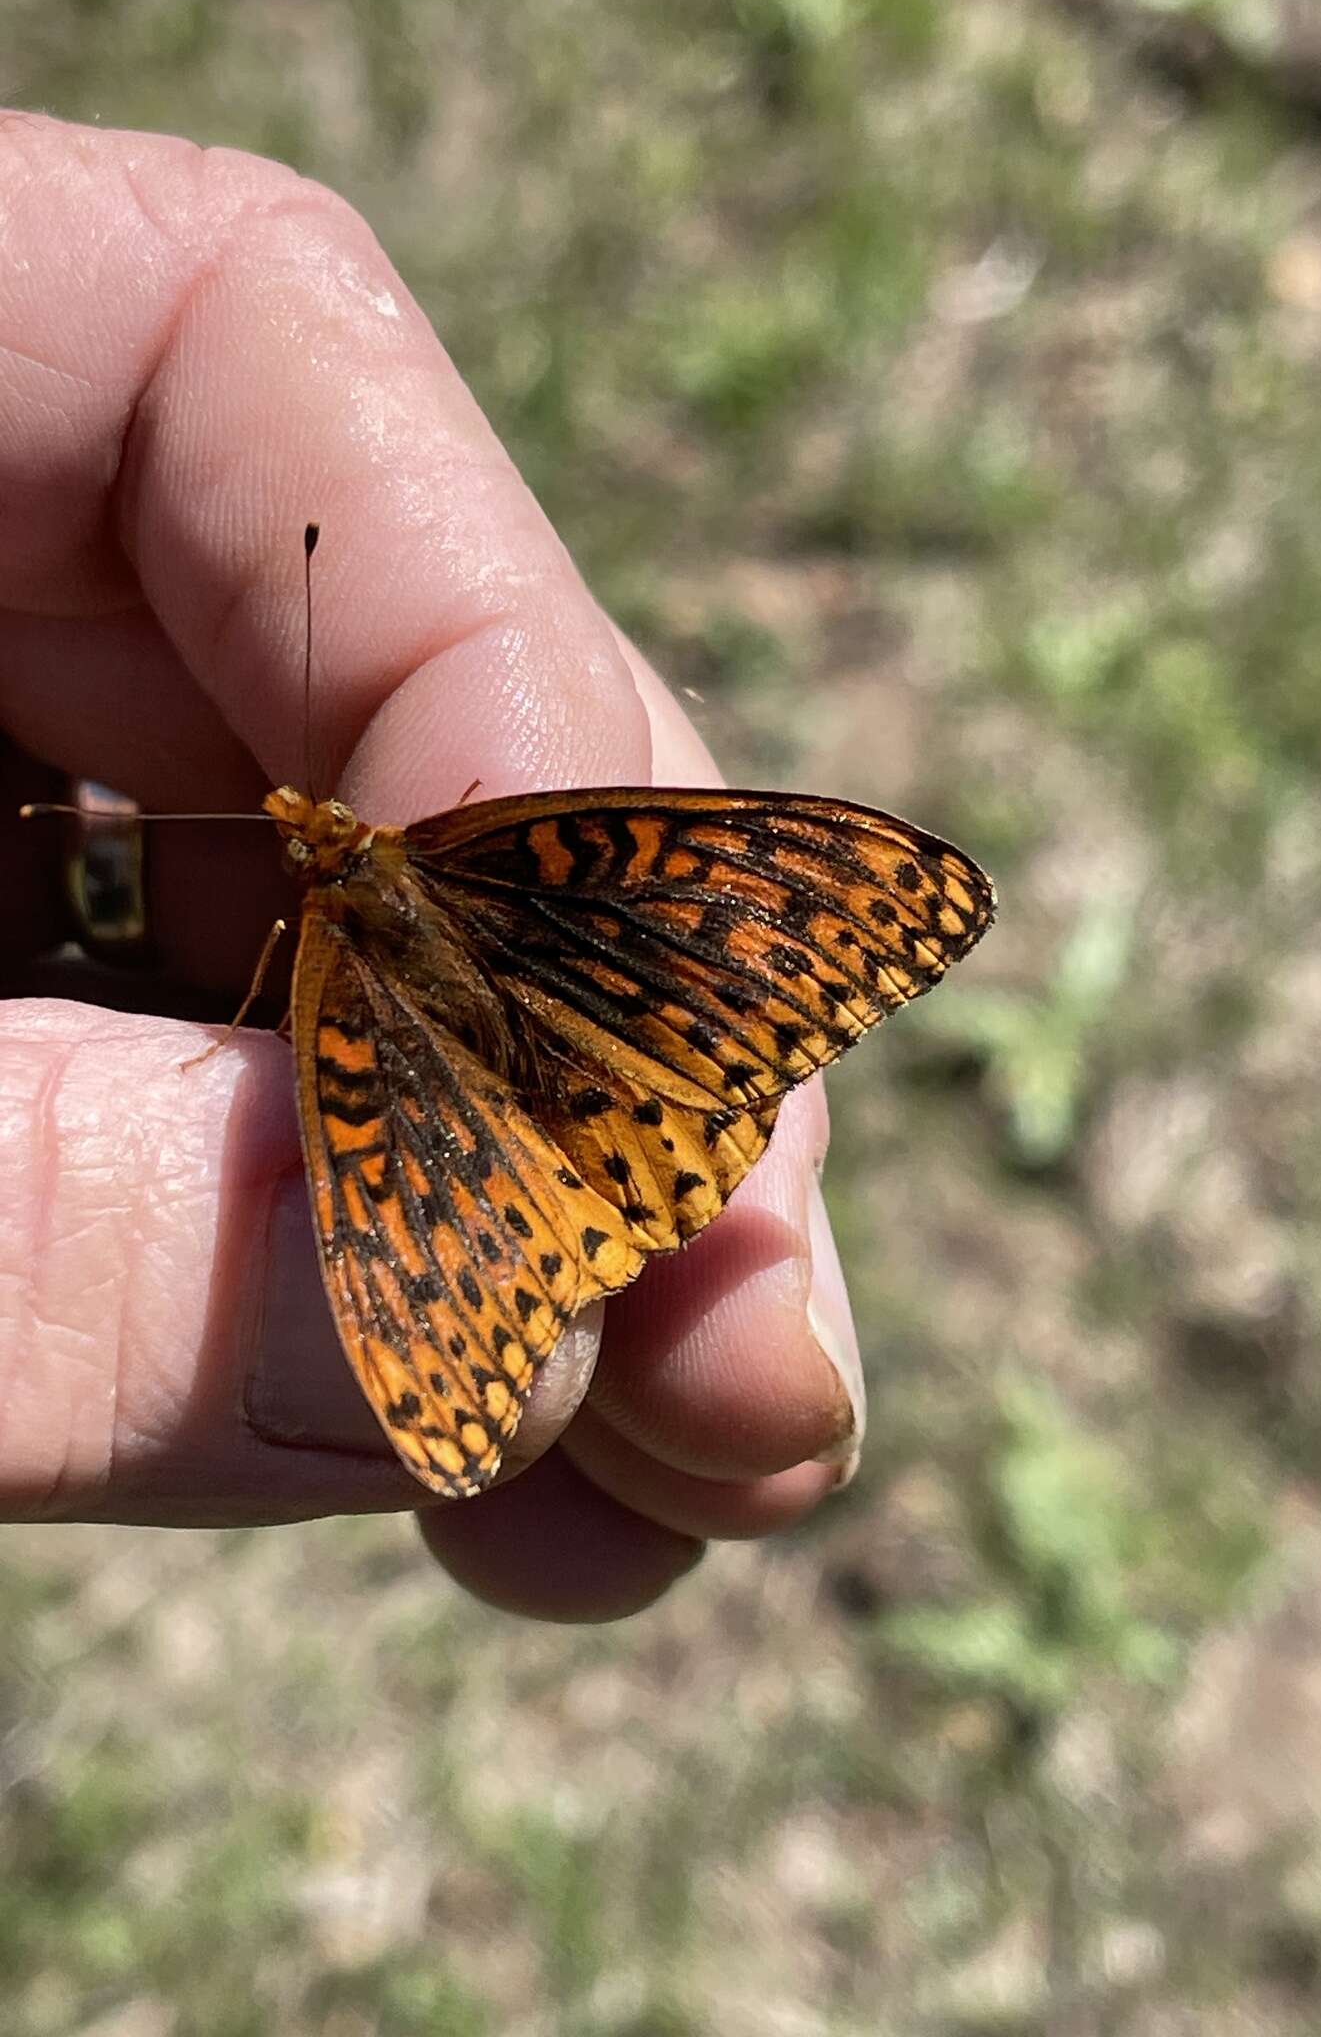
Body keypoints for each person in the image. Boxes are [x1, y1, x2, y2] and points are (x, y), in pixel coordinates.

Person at [0, 110, 863, 1620]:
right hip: (627, 1079)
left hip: (459, 1077)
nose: (301, 827)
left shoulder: (326, 950)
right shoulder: (477, 851)